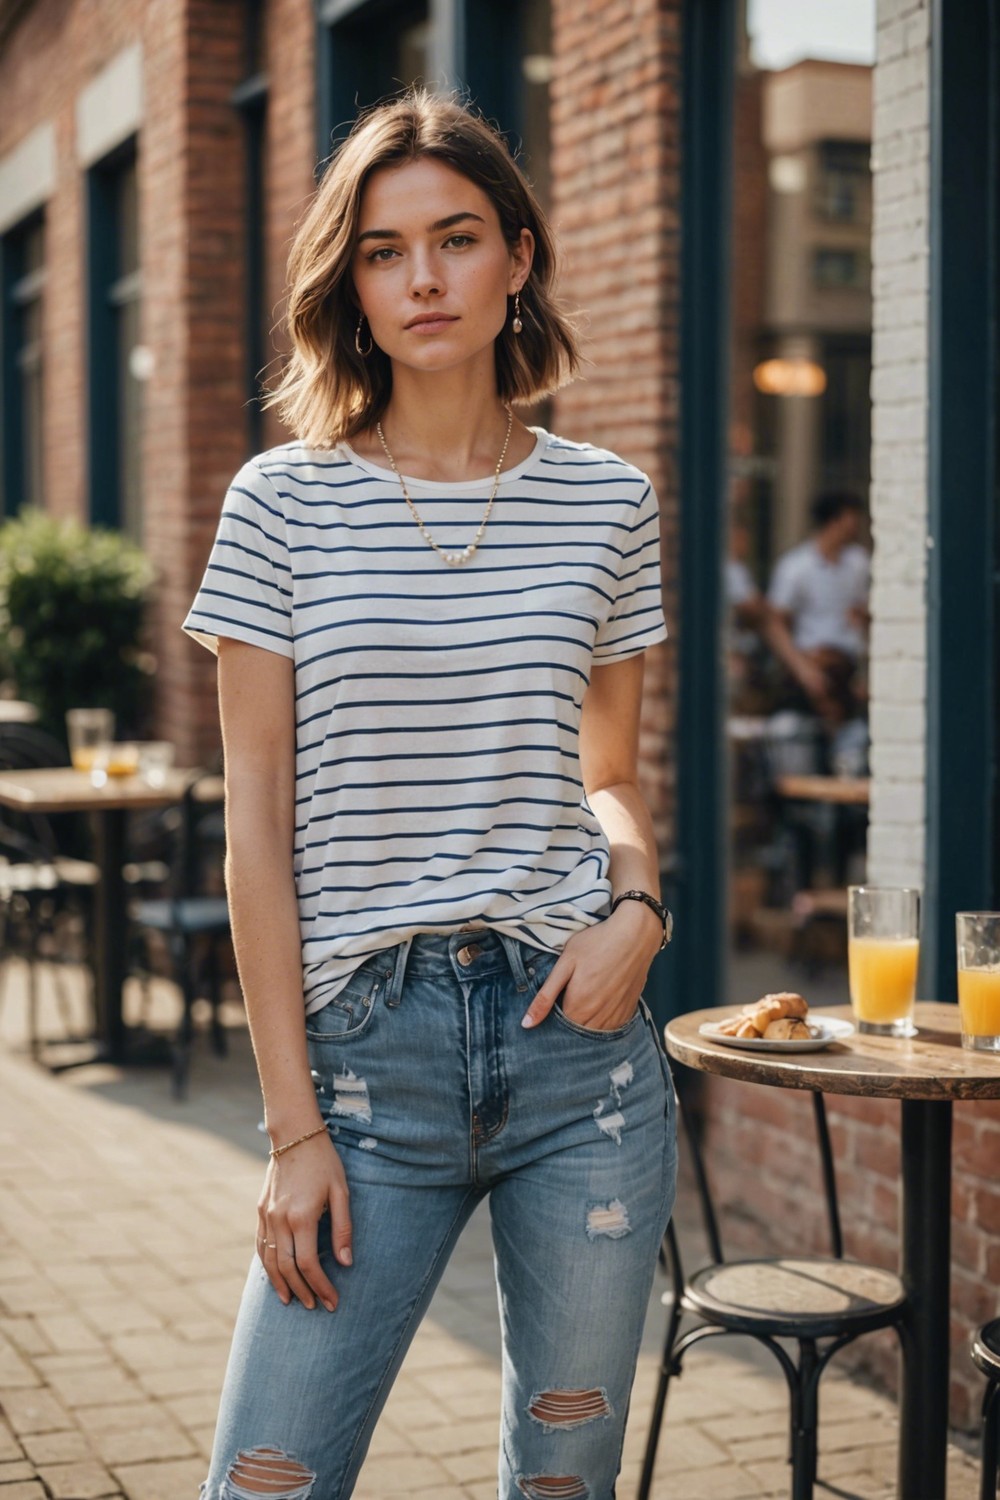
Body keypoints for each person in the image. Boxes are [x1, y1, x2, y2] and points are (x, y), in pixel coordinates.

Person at [184, 90, 676, 1500]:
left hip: (577, 1052)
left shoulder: (609, 503)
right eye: (386, 251)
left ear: (518, 257)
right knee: (267, 1478)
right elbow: (256, 833)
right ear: (352, 282)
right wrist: (291, 1132)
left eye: (455, 239)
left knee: (565, 1480)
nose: (422, 279)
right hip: (359, 1065)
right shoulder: (280, 503)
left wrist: (638, 902)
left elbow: (610, 779)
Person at [765, 491, 870, 727]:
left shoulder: (859, 563)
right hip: (811, 665)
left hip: (849, 667)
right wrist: (802, 669)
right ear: (835, 521)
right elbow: (775, 622)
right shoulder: (796, 567)